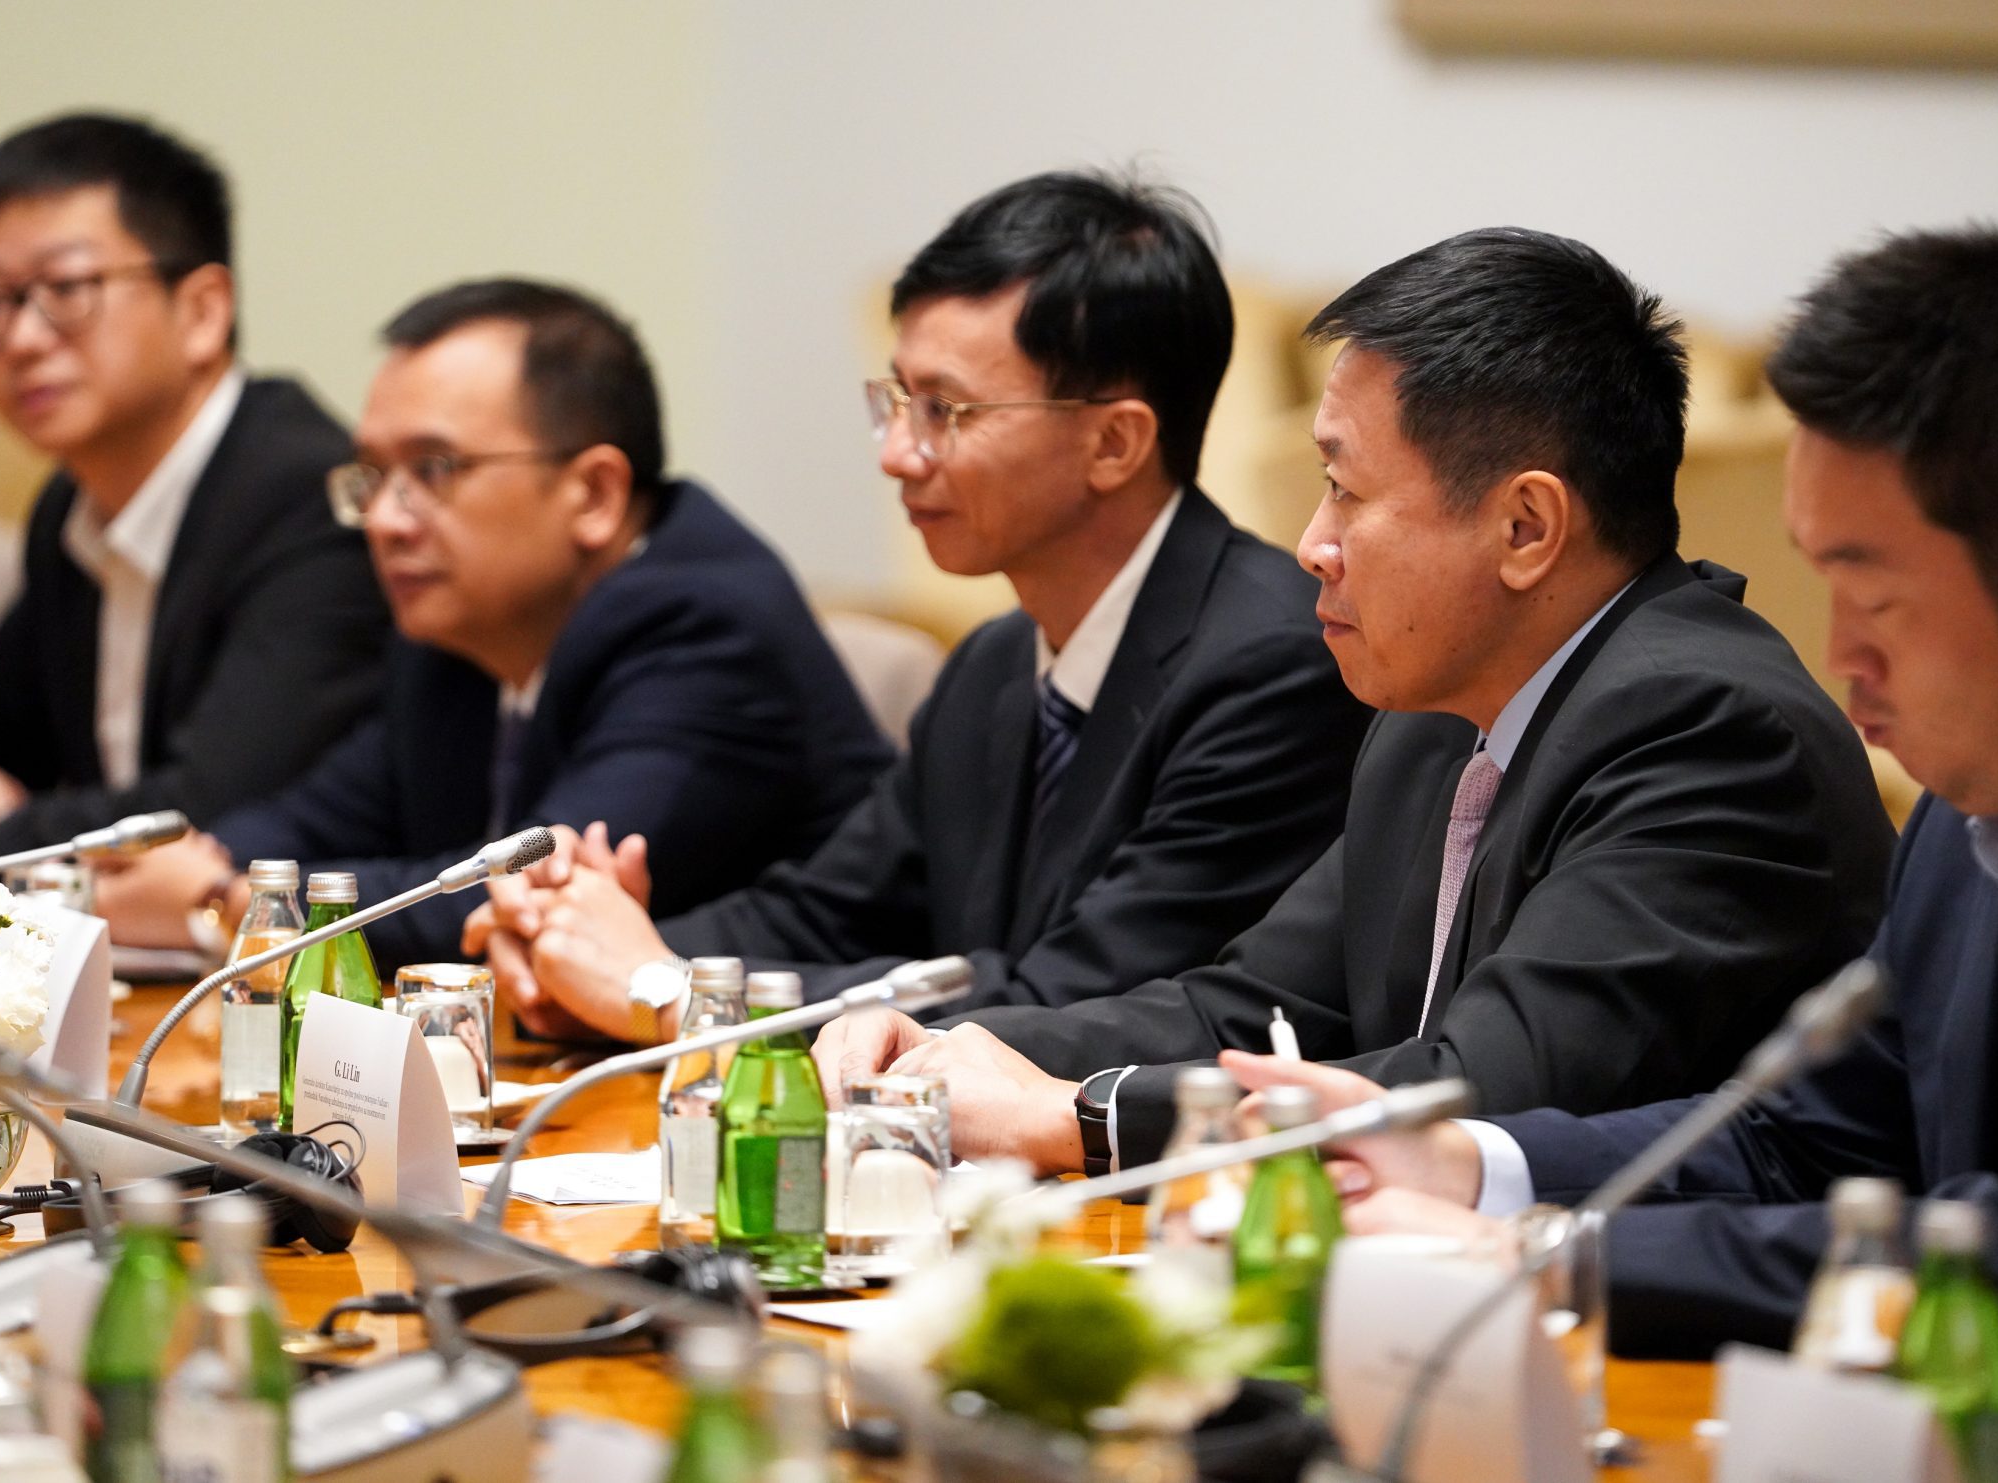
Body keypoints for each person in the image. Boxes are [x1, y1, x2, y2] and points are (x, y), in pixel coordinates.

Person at [1274, 227, 1998, 1357]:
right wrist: (1470, 1164)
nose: (1841, 658)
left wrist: (1556, 1256)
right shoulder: (1973, 809)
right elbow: (1813, 1138)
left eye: (1878, 602)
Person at [817, 226, 1895, 1176]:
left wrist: (1076, 1116)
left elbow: (1479, 1088)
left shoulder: (1707, 730)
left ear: (1526, 527)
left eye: (1345, 489)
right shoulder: (1435, 712)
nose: (1311, 545)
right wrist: (957, 1051)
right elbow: (1249, 1010)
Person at [472, 170, 1371, 1043]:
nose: (897, 453)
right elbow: (822, 911)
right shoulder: (994, 662)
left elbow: (1069, 1003)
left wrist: (664, 990)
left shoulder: (1274, 661)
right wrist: (581, 945)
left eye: (945, 410)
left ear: (1114, 441)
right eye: (896, 401)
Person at [98, 277, 892, 977]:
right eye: (373, 476)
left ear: (595, 494)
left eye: (433, 469)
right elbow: (316, 815)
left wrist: (228, 902)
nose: (384, 519)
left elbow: (526, 891)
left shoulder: (705, 627)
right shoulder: (460, 635)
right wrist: (191, 864)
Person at [0, 113, 389, 856]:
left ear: (202, 312)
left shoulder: (306, 499)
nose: (21, 338)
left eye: (68, 287)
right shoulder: (72, 509)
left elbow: (203, 812)